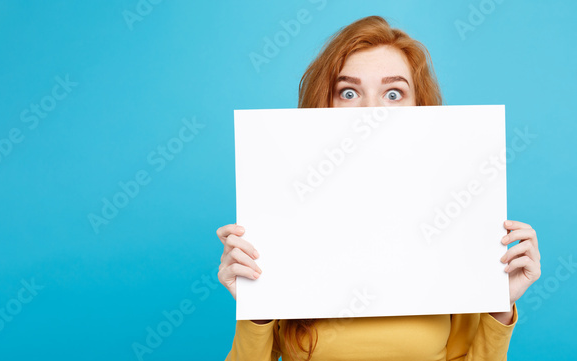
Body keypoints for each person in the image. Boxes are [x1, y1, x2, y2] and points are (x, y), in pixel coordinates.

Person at [219, 16, 541, 361]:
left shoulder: (453, 223)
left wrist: (497, 302)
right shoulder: (281, 221)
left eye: (393, 93)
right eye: (348, 92)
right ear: (323, 105)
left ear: (420, 109)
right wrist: (256, 304)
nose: (371, 111)